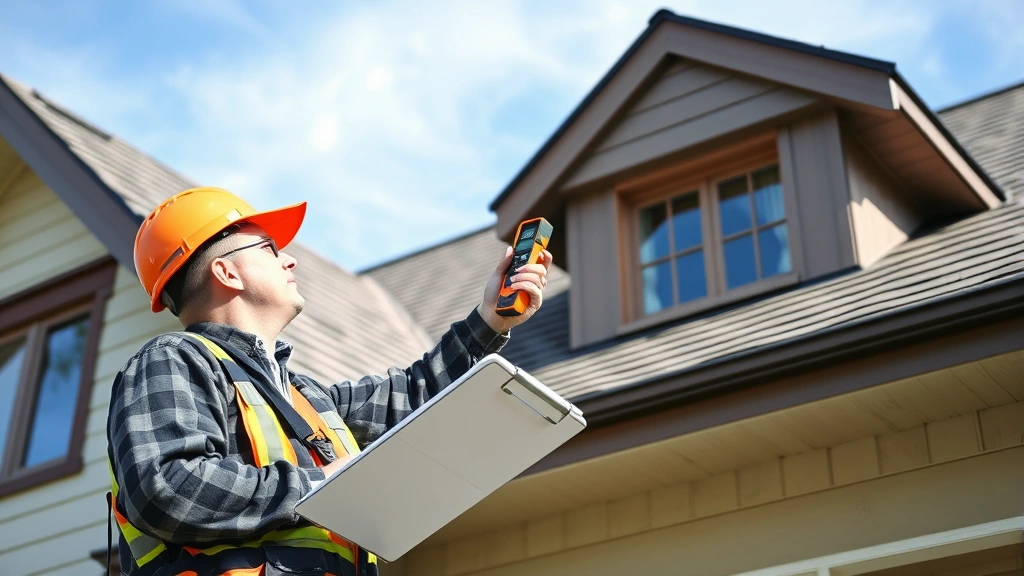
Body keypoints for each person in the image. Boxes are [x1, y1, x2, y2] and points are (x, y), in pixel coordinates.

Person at [106, 187, 552, 576]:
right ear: (227, 272)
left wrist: (489, 320)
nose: (290, 258)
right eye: (268, 248)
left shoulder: (304, 398)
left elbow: (414, 395)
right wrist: (318, 487)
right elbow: (166, 486)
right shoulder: (173, 360)